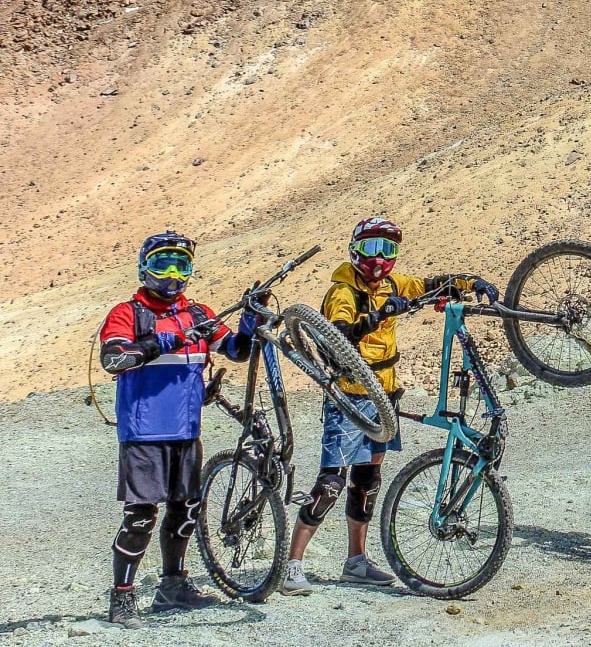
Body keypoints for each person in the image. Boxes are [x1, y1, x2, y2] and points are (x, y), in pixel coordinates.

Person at [282, 217, 498, 593]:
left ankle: (356, 561)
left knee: (366, 481)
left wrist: (470, 282)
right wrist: (377, 315)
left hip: (385, 395)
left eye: (388, 249)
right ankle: (292, 565)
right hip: (349, 396)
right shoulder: (344, 291)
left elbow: (432, 285)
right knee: (331, 482)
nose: (379, 259)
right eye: (371, 248)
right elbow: (338, 333)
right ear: (355, 248)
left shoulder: (392, 284)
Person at [99, 231, 258, 628]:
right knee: (141, 515)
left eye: (181, 264)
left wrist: (250, 322)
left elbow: (237, 350)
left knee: (185, 508)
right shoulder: (128, 313)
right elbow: (113, 358)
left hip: (187, 430)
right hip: (143, 432)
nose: (171, 273)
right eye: (162, 263)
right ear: (143, 268)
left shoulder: (200, 314)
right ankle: (122, 598)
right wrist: (162, 341)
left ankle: (173, 586)